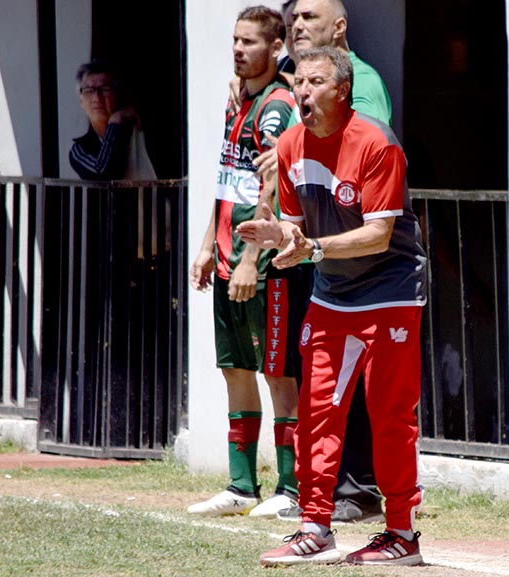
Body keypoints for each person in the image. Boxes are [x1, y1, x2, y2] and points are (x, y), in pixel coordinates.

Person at [238, 46, 426, 566]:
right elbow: (298, 228)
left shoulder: (376, 142)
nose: (302, 91)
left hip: (389, 290)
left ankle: (402, 534)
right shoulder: (292, 144)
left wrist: (314, 248)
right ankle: (315, 526)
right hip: (332, 294)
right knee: (318, 412)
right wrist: (280, 235)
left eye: (315, 82)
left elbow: (378, 234)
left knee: (390, 415)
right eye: (299, 82)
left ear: (342, 90)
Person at [187, 6, 299, 518]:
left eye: (250, 42)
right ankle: (240, 485)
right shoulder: (238, 101)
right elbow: (227, 180)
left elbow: (272, 183)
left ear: (276, 49)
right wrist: (210, 242)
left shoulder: (275, 105)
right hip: (230, 258)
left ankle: (291, 489)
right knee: (236, 369)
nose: (238, 49)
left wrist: (253, 256)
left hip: (265, 267)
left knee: (278, 374)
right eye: (235, 40)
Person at [70, 60, 156, 181]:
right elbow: (103, 175)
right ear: (81, 101)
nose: (96, 98)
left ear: (117, 94)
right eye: (89, 91)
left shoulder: (140, 128)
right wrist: (115, 122)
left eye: (105, 89)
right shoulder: (80, 150)